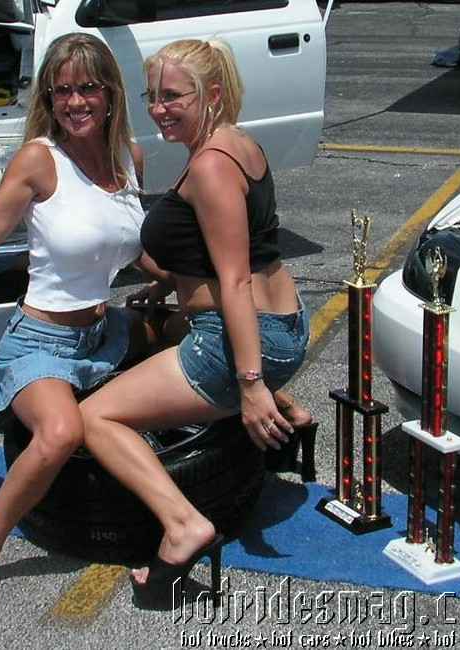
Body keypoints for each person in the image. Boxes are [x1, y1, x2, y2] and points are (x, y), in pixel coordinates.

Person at [80, 38, 314, 607]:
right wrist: (166, 286)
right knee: (161, 331)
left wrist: (250, 385)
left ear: (211, 94)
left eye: (173, 96)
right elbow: (222, 252)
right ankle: (291, 413)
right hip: (282, 323)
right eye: (152, 96)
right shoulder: (238, 144)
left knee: (93, 418)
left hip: (240, 340)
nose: (159, 109)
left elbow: (234, 281)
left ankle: (182, 526)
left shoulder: (210, 167)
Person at [0, 33, 146, 614]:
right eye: (62, 92)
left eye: (88, 88)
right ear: (49, 100)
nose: (75, 102)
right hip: (41, 342)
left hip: (104, 332)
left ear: (110, 93)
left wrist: (203, 281)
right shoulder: (39, 159)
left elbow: (136, 247)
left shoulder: (128, 156)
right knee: (59, 434)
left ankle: (164, 523)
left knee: (203, 341)